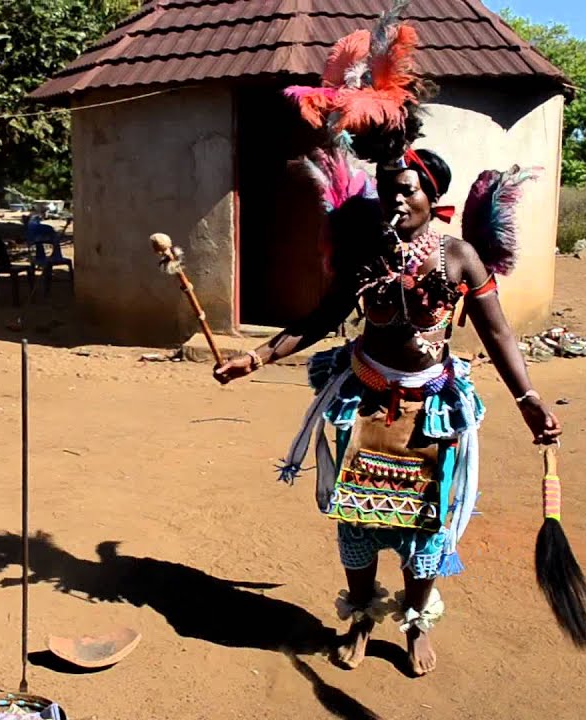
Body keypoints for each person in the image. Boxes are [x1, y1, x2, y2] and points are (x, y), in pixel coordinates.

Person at [213, 146, 562, 675]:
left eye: (408, 189)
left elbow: (497, 332)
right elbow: (322, 318)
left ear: (432, 196)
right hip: (365, 400)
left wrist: (528, 399)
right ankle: (360, 619)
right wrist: (258, 356)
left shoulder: (458, 256)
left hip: (431, 409)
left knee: (426, 524)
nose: (396, 198)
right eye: (387, 188)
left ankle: (416, 622)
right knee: (357, 520)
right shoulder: (363, 252)